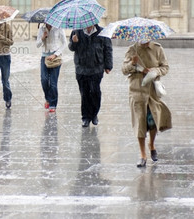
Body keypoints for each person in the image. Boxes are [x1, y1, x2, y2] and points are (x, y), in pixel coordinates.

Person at [122, 40, 172, 168]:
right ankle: (143, 154)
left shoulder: (157, 48)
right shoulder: (132, 49)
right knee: (140, 123)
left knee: (153, 120)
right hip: (137, 91)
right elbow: (124, 70)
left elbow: (165, 67)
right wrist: (133, 64)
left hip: (152, 92)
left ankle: (152, 144)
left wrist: (154, 71)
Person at [68, 24, 113, 127]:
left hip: (96, 67)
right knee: (84, 94)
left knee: (95, 92)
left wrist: (108, 65)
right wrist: (74, 43)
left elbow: (108, 49)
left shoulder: (102, 31)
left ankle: (94, 114)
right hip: (81, 68)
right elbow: (71, 48)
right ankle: (85, 117)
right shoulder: (76, 31)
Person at [36, 23, 67, 112]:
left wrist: (55, 54)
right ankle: (48, 99)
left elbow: (64, 43)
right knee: (44, 79)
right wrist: (42, 37)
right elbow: (37, 45)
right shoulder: (42, 29)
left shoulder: (59, 28)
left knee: (53, 83)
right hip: (44, 57)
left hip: (55, 58)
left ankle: (53, 104)